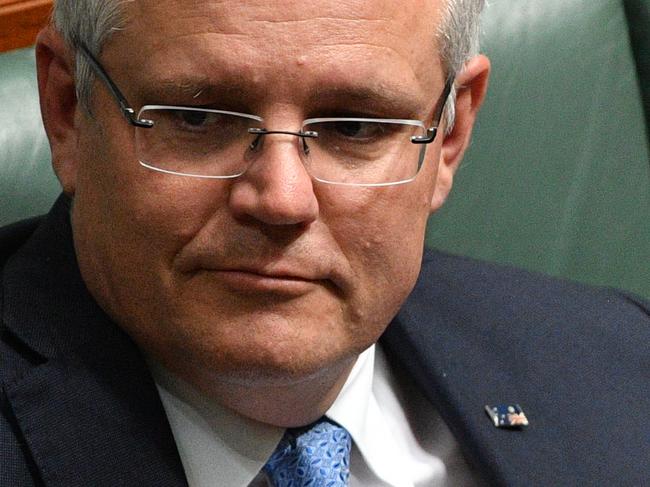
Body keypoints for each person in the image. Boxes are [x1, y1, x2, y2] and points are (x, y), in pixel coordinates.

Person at [1, 0, 648, 486]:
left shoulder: (623, 368)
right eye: (198, 118)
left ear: (448, 137)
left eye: (355, 126)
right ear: (66, 112)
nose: (282, 199)